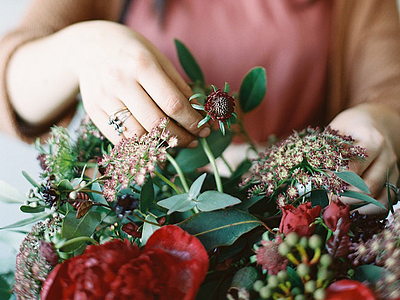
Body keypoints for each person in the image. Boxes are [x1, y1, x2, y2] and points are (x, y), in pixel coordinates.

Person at [1, 0, 400, 214]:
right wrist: (80, 49)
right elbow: (9, 82)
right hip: (137, 229)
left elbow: (389, 92)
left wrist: (375, 122)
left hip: (287, 233)